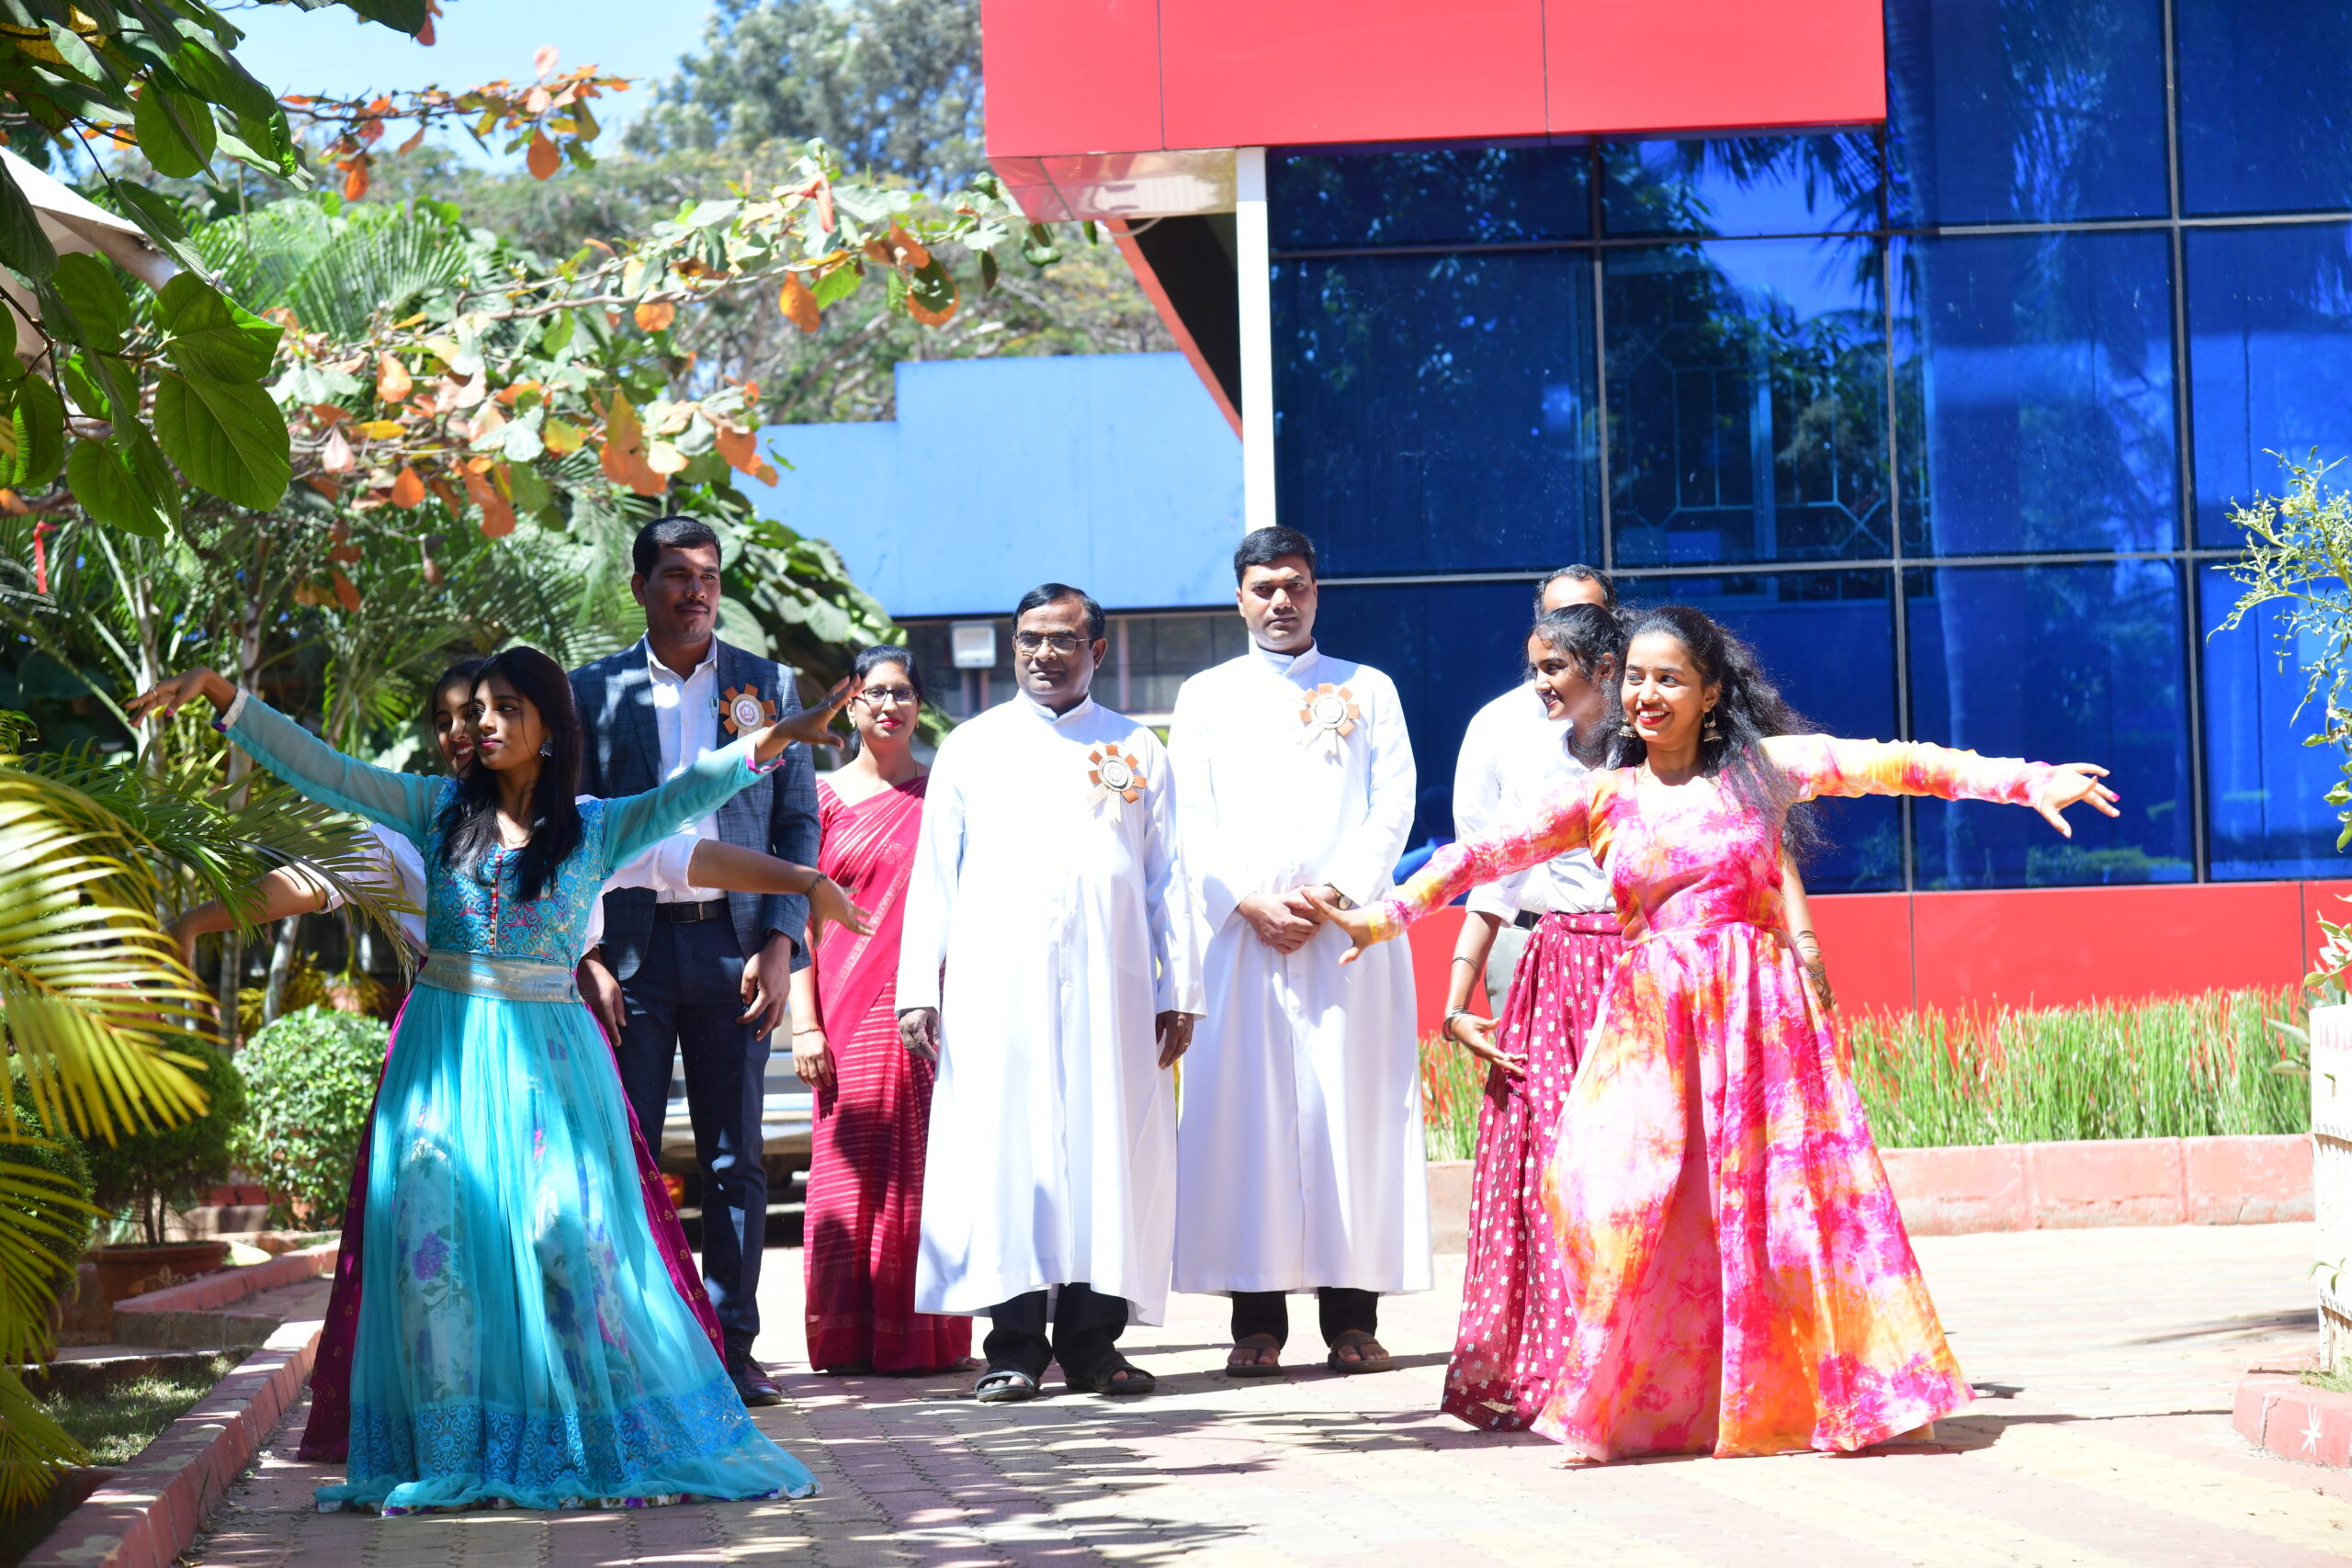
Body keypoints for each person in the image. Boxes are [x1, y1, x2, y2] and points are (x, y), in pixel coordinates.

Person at [1308, 605, 2119, 1461]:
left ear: (1712, 692)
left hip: (1760, 1023)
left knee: (1789, 1209)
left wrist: (2029, 781)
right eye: (1635, 677)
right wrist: (1384, 916)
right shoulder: (1603, 796)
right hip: (1651, 1026)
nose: (1646, 694)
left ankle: (1807, 1393)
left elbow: (1902, 764)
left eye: (1669, 678)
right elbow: (1479, 855)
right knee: (1607, 1194)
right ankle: (1655, 1391)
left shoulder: (1765, 771)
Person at [129, 651, 856, 1513]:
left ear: (549, 726)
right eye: (477, 709)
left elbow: (693, 806)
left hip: (553, 1064)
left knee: (565, 1235)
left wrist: (793, 807)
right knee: (436, 1254)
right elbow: (324, 767)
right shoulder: (432, 809)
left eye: (507, 707)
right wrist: (223, 694)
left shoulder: (597, 826)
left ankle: (583, 1434)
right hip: (442, 1058)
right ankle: (452, 1445)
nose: (483, 723)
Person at [896, 584, 1200, 1403]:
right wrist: (918, 986)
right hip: (1001, 992)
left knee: (1108, 1153)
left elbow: (1169, 876)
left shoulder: (1136, 745)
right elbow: (935, 874)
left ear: (1095, 651)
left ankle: (1096, 1345)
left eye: (1062, 640)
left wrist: (1182, 987)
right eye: (1030, 639)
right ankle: (1015, 1347)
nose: (1043, 654)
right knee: (1011, 1154)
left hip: (1114, 989)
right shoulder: (972, 746)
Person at [571, 514, 823, 1408]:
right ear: (640, 586)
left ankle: (731, 1349)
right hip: (627, 951)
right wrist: (586, 952)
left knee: (735, 1159)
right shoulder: (590, 692)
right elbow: (568, 831)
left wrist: (780, 942)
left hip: (735, 947)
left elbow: (797, 820)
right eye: (676, 575)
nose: (695, 591)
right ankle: (634, 1353)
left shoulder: (767, 685)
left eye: (708, 575)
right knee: (626, 1153)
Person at [1167, 526, 1423, 1377]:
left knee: (1349, 1113)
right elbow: (1189, 816)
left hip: (1342, 940)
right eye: (1266, 587)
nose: (1282, 601)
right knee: (1249, 1119)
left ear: (1317, 591)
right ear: (1238, 598)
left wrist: (1335, 896)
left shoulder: (1368, 687)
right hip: (1242, 937)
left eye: (1297, 585)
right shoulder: (1204, 696)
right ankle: (1256, 1323)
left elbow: (1393, 805)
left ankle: (1353, 1320)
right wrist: (1245, 900)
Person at [1435, 603, 1625, 1430]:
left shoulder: (1658, 758)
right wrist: (1456, 1001)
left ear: (1605, 667)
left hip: (1642, 975)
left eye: (1553, 667)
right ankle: (1561, 1370)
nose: (1538, 684)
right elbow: (1493, 879)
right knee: (1549, 1173)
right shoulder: (1535, 760)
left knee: (1637, 1171)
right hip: (1556, 975)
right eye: (1535, 666)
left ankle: (1644, 1367)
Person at [788, 646, 972, 1375]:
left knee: (927, 1171)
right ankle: (845, 1339)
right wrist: (805, 1023)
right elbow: (796, 917)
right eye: (874, 693)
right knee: (848, 1168)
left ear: (919, 705)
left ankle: (926, 1337)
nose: (888, 705)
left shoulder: (945, 797)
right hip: (843, 1010)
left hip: (930, 1011)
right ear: (851, 704)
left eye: (902, 692)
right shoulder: (820, 798)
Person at [1450, 565, 1616, 1012]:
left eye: (1586, 616)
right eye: (1556, 615)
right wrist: (1457, 1000)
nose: (1568, 628)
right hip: (1525, 936)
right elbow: (1485, 856)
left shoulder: (1652, 737)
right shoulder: (1499, 724)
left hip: (1637, 947)